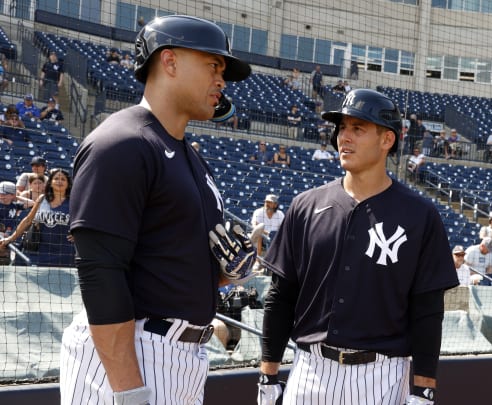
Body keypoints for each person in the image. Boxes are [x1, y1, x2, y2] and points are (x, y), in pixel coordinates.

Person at [58, 15, 255, 405]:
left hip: (184, 356)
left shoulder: (193, 160)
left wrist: (229, 272)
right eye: (213, 66)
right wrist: (129, 391)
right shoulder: (123, 142)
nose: (222, 81)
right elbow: (101, 273)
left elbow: (171, 266)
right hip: (130, 353)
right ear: (169, 62)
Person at [258, 88, 458, 405]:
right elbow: (280, 298)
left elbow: (428, 313)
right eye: (342, 128)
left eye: (358, 128)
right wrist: (268, 377)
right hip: (310, 370)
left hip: (380, 378)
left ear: (386, 140)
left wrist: (423, 391)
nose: (344, 137)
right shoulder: (305, 206)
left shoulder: (420, 216)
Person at [1, 168, 74, 266]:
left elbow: (85, 221)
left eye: (63, 179)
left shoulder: (74, 201)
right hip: (37, 250)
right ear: (50, 182)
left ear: (68, 183)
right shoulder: (42, 198)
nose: (59, 181)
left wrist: (79, 234)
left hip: (64, 253)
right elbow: (27, 220)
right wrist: (11, 238)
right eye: (56, 178)